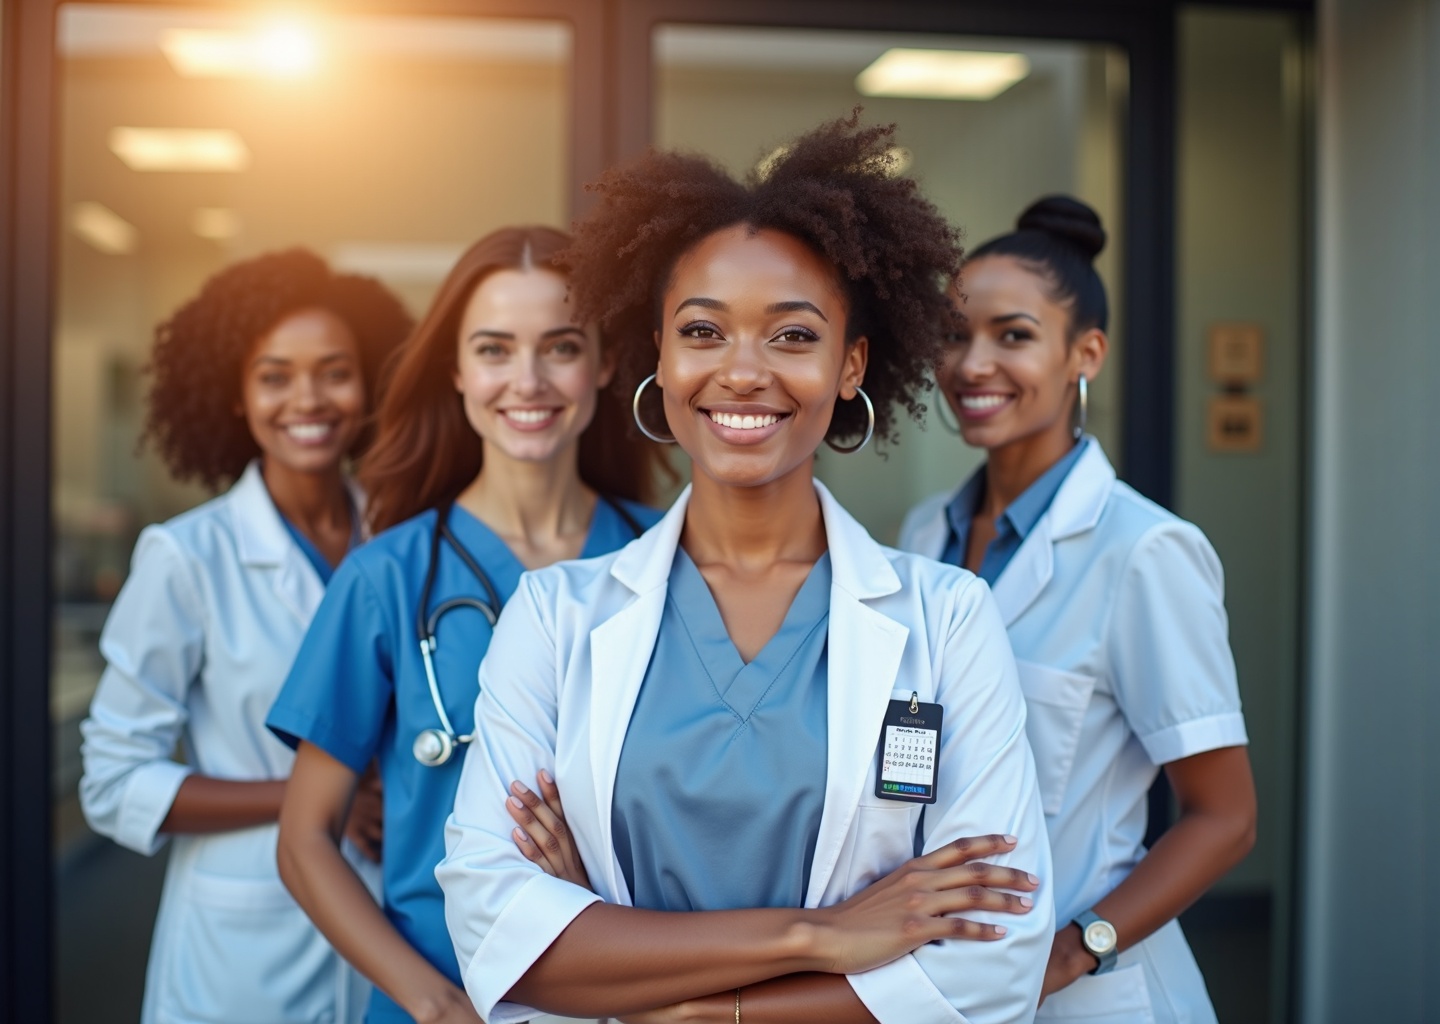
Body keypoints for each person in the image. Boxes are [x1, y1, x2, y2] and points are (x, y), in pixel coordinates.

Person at [437, 114, 1053, 1024]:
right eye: (704, 331)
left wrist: (671, 999)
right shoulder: (556, 615)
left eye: (794, 337)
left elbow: (993, 958)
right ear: (659, 357)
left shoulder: (948, 617)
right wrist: (814, 936)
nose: (743, 371)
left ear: (851, 366)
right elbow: (495, 930)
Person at [266, 226, 665, 1024]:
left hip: (629, 996)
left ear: (606, 363)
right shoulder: (389, 577)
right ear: (456, 369)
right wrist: (434, 1001)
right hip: (443, 1000)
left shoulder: (669, 561)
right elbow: (303, 840)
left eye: (560, 347)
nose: (528, 380)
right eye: (494, 349)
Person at [898, 196, 1257, 1023]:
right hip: (946, 982)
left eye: (1013, 335)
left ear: (1084, 354)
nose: (972, 363)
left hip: (1094, 996)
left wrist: (1076, 948)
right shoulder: (924, 534)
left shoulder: (1144, 553)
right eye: (955, 335)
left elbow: (1226, 818)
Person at [78, 249, 411, 1024]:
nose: (308, 399)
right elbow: (112, 780)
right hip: (244, 950)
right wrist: (311, 797)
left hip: (393, 920)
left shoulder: (402, 537)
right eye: (274, 376)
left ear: (371, 384)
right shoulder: (187, 556)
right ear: (234, 394)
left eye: (335, 371)